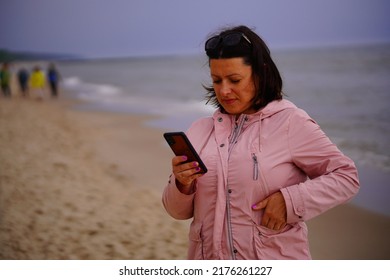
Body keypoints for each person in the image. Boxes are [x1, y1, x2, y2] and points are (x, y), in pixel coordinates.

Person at [162, 25, 360, 260]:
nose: (224, 91)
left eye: (234, 79)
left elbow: (346, 177)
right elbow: (176, 211)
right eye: (217, 80)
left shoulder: (290, 122)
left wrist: (290, 201)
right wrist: (182, 184)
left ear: (261, 73)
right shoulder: (200, 130)